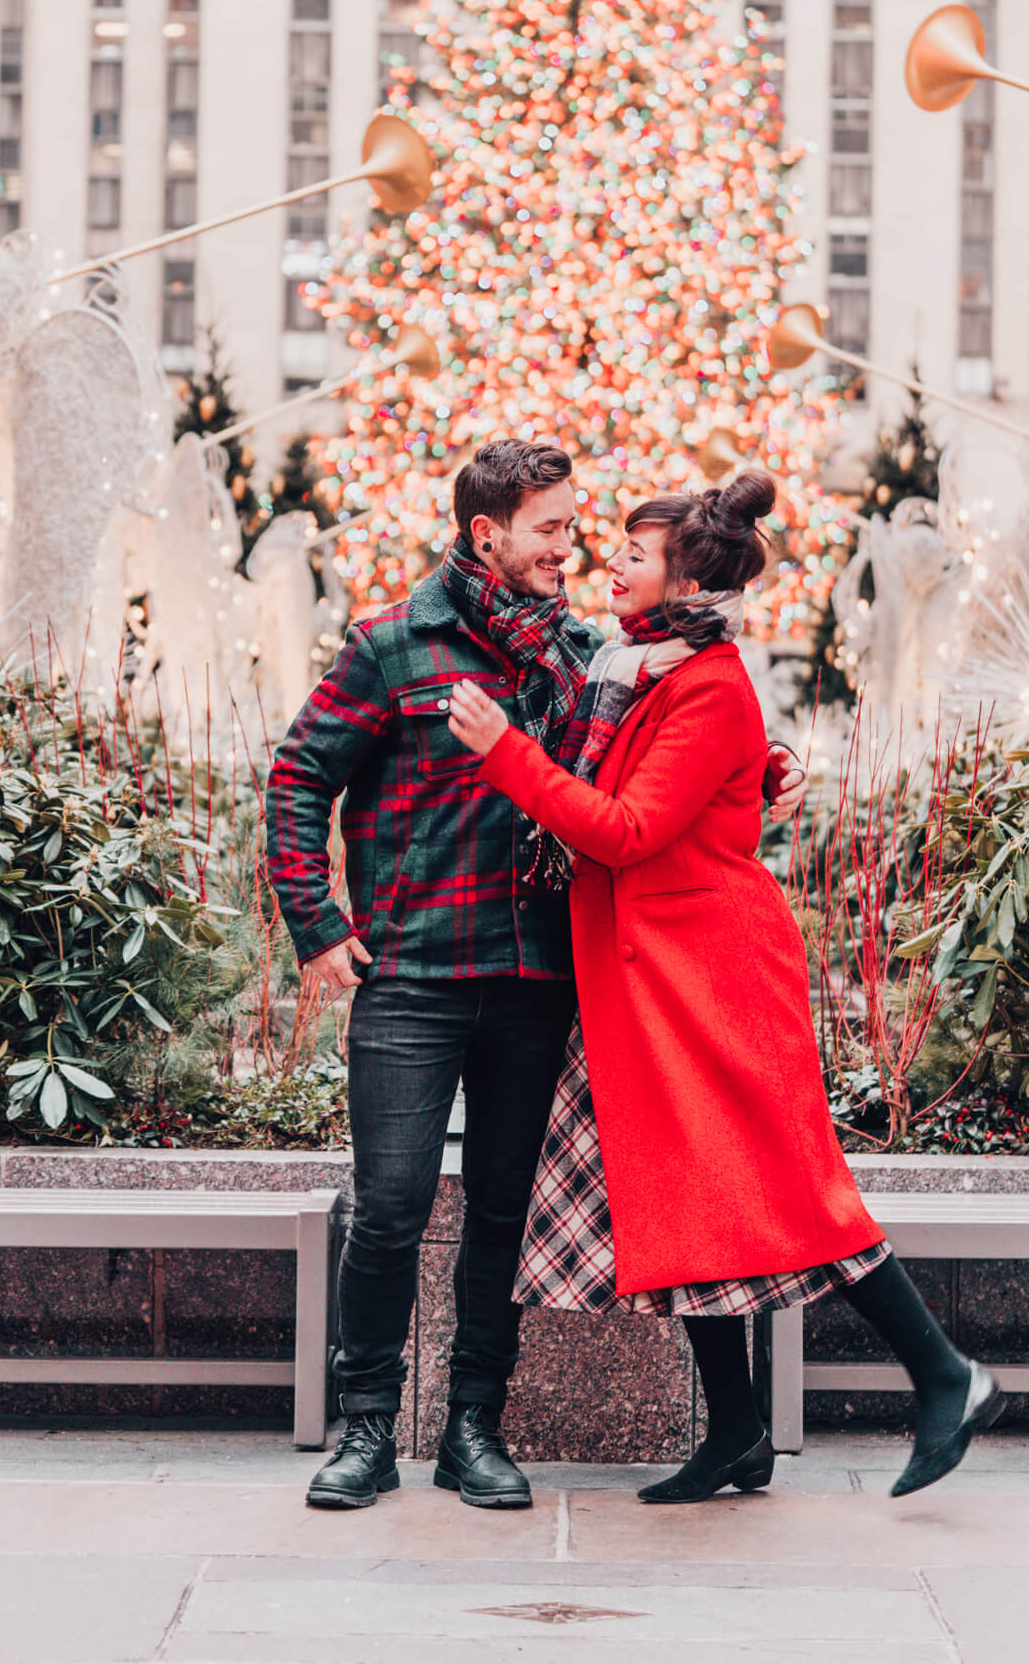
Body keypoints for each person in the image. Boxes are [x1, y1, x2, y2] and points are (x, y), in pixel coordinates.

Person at [264, 439, 806, 1512]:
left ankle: (475, 1426)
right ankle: (366, 1430)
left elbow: (654, 752)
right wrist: (317, 923)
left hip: (539, 979)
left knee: (502, 1211)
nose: (572, 548)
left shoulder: (584, 654)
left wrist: (761, 770)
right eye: (553, 529)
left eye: (575, 527)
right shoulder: (393, 645)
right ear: (488, 536)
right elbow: (298, 775)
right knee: (388, 1208)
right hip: (413, 976)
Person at [447, 471, 1003, 1502]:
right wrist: (763, 764)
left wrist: (504, 754)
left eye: (633, 553)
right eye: (611, 546)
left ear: (682, 581)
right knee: (681, 1190)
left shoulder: (702, 684)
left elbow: (623, 831)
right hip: (648, 979)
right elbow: (660, 782)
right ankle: (737, 1433)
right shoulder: (637, 670)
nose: (611, 561)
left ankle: (946, 1375)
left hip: (708, 980)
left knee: (787, 1189)